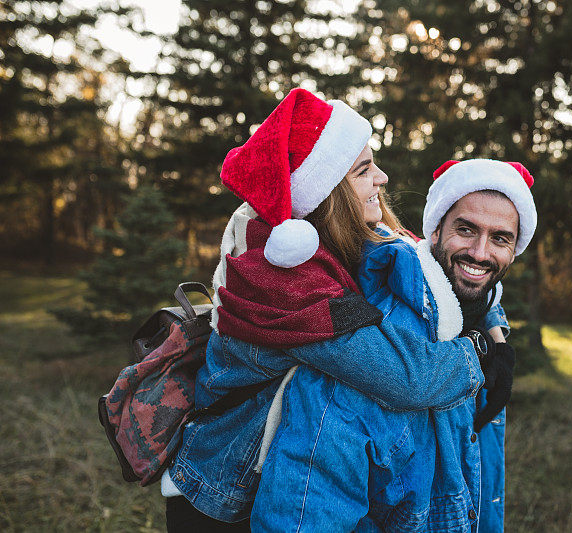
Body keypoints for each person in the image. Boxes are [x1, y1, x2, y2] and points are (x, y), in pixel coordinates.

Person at [162, 89, 506, 531]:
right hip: (221, 493)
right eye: (364, 169)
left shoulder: (333, 239)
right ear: (327, 189)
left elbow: (437, 267)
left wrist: (493, 321)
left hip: (274, 470)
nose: (381, 178)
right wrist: (478, 357)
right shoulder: (287, 281)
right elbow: (406, 378)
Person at [252, 158, 537, 531]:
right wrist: (484, 347)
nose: (481, 252)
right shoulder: (380, 353)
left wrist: (493, 334)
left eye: (501, 238)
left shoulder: (478, 319)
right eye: (466, 230)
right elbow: (304, 515)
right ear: (434, 232)